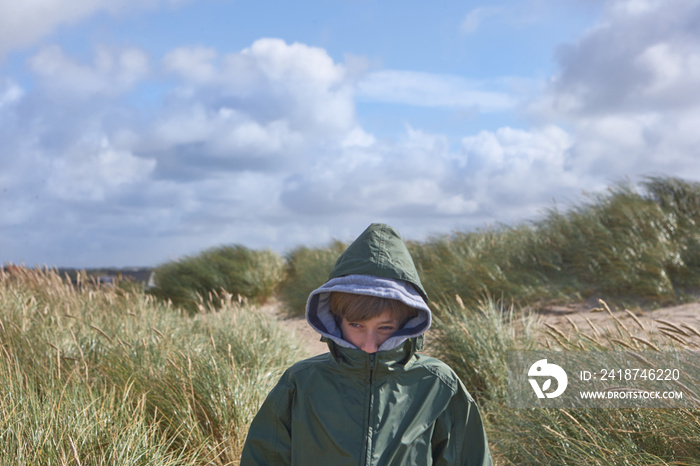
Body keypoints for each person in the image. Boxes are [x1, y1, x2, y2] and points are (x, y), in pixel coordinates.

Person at [240, 223, 492, 466]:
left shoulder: (438, 384)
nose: (369, 345)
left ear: (408, 321)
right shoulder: (300, 382)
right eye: (357, 326)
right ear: (337, 320)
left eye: (385, 328)